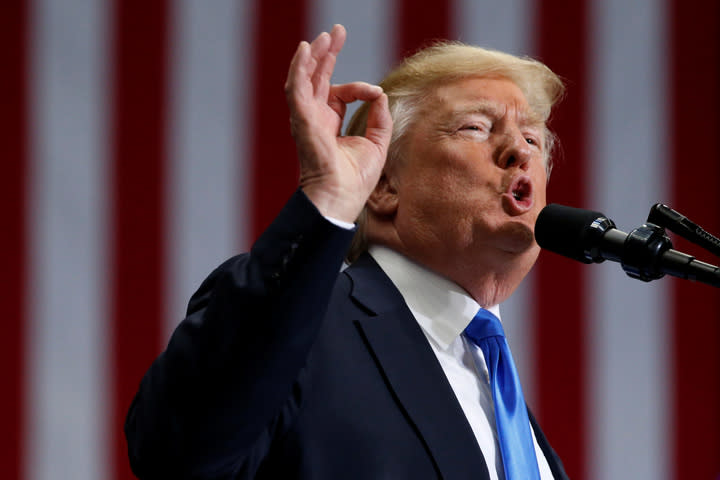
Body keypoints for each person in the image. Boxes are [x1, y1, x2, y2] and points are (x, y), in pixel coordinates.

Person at [125, 24, 568, 480]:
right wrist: (329, 198)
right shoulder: (302, 322)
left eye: (533, 139)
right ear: (383, 186)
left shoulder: (493, 381)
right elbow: (177, 452)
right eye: (475, 127)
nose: (519, 150)